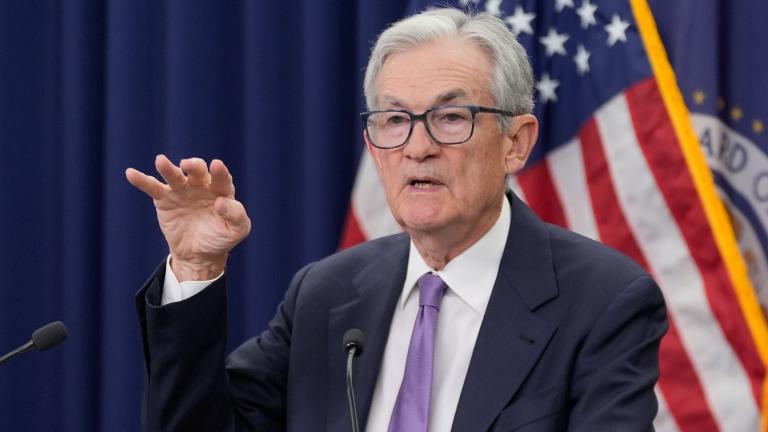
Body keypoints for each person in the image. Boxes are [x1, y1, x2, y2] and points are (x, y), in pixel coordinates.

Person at [126, 7, 667, 432]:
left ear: (516, 142)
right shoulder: (325, 294)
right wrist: (196, 266)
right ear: (373, 145)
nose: (417, 147)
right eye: (394, 120)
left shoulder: (603, 302)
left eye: (451, 117)